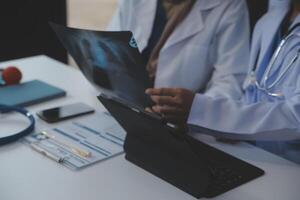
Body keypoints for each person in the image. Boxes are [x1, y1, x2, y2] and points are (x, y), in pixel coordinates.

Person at [146, 0, 300, 164]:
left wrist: (202, 112)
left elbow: (296, 117)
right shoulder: (268, 22)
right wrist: (201, 122)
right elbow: (252, 96)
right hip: (252, 156)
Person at [108, 0, 250, 99]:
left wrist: (193, 110)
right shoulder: (132, 2)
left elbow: (230, 83)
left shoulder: (229, 6)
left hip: (178, 125)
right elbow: (109, 49)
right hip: (122, 102)